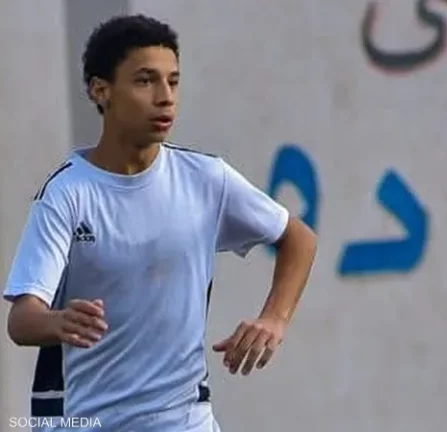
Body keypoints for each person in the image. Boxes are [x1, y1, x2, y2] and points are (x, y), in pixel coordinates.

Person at [3, 13, 317, 432]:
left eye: (173, 81)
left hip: (184, 419)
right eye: (145, 81)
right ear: (100, 91)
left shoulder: (207, 179)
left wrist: (274, 319)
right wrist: (57, 322)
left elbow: (298, 238)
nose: (166, 97)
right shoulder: (66, 195)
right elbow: (22, 321)